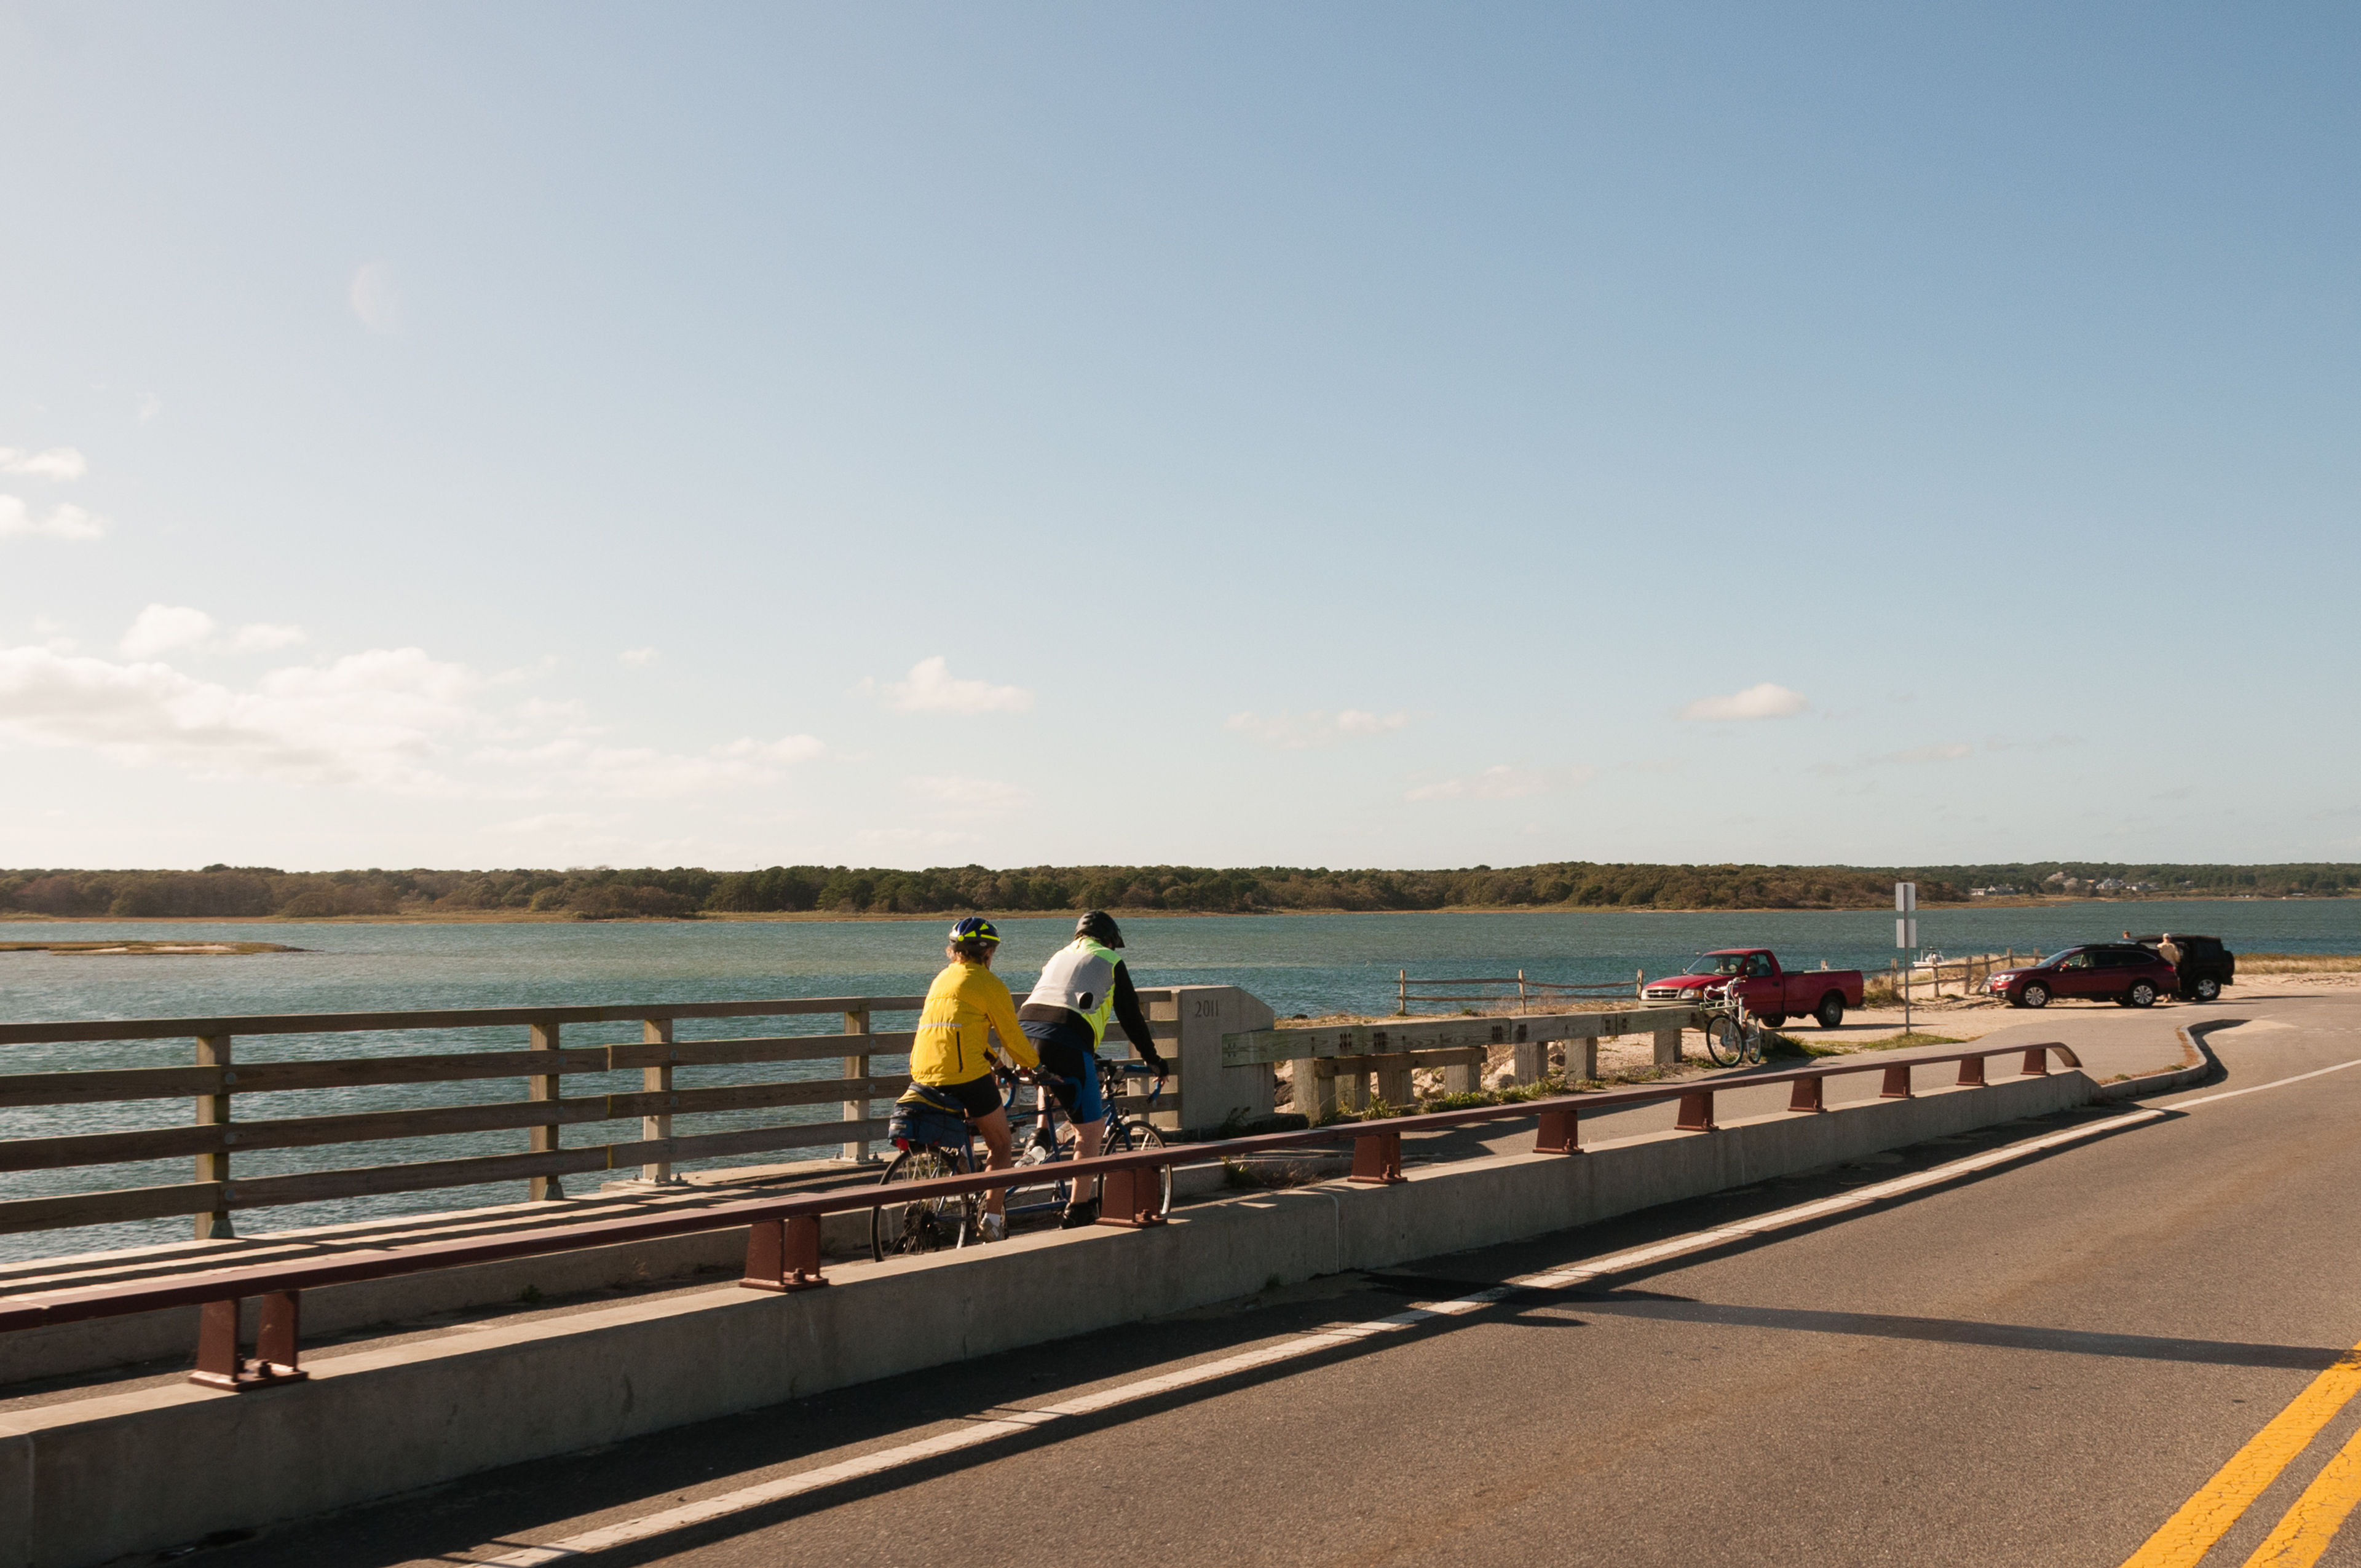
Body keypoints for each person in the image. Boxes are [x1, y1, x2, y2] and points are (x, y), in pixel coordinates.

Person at [1019, 910, 1169, 1227]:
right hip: (1066, 1038)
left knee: (1052, 1079)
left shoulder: (1059, 955)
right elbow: (1131, 1017)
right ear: (1110, 940)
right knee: (1090, 1131)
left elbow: (1061, 1001)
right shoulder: (1109, 960)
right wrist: (1153, 1058)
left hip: (1025, 1032)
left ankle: (1042, 1133)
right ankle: (1078, 1208)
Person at [901, 916, 1037, 1242]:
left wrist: (997, 1065)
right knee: (1002, 1144)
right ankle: (990, 1221)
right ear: (988, 952)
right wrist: (1034, 1066)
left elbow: (962, 1034)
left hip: (923, 1072)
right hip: (964, 1075)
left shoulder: (942, 980)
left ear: (954, 951)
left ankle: (962, 1175)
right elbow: (1012, 1037)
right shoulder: (989, 984)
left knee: (967, 1133)